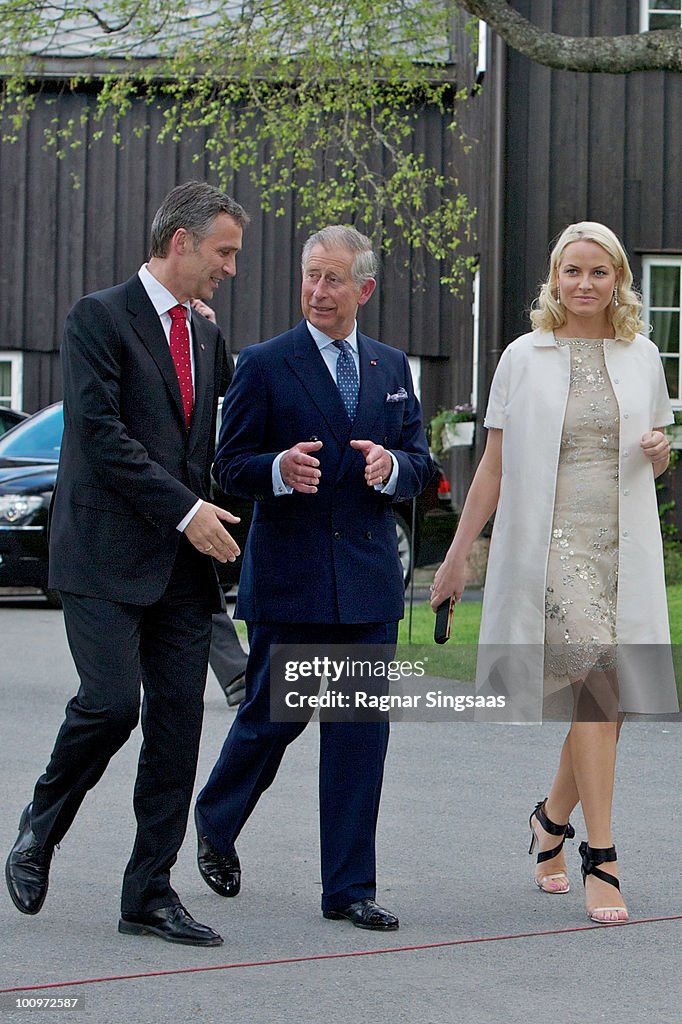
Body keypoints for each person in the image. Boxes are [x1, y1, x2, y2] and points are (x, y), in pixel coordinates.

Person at [5, 180, 249, 947]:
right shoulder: (95, 318)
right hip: (105, 556)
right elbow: (104, 438)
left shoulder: (208, 339)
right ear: (180, 243)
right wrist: (186, 510)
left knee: (177, 732)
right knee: (111, 707)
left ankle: (148, 893)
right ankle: (40, 827)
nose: (231, 269)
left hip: (180, 571)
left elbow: (203, 450)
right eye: (224, 252)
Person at [431, 221, 679, 924]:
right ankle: (601, 855)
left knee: (613, 700)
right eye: (573, 271)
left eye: (599, 272)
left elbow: (654, 456)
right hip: (553, 551)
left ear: (618, 281)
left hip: (621, 548)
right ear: (555, 278)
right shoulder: (523, 356)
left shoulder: (642, 356)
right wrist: (456, 558)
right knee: (598, 693)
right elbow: (495, 467)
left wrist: (660, 450)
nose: (585, 284)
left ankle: (549, 821)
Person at [194, 225, 433, 930]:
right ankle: (216, 817)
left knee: (359, 735)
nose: (318, 291)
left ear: (364, 289)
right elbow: (226, 465)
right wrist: (275, 471)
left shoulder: (392, 369)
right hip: (293, 577)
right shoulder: (268, 364)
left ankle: (349, 889)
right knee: (275, 717)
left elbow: (419, 462)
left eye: (333, 280)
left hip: (364, 582)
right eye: (310, 276)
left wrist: (393, 470)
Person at [190, 298, 248, 708]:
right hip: (149, 500)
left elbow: (230, 396)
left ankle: (238, 674)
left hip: (192, 493)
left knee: (197, 586)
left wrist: (207, 339)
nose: (228, 269)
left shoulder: (198, 335)